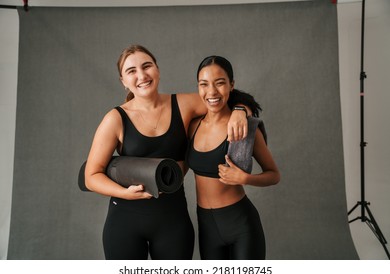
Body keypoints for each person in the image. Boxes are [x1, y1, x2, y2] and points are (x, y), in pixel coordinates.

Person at [84, 45, 250, 260]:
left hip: (173, 222)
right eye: (131, 71)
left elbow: (221, 96)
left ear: (158, 70)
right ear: (123, 81)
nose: (142, 75)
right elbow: (91, 176)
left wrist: (239, 111)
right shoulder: (115, 119)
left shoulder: (184, 104)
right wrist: (125, 193)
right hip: (125, 222)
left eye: (147, 66)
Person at [186, 55, 280, 260]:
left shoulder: (244, 128)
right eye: (204, 84)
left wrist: (246, 179)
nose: (211, 92)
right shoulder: (192, 126)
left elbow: (274, 175)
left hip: (241, 224)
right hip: (206, 225)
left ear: (231, 85)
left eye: (220, 83)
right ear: (198, 87)